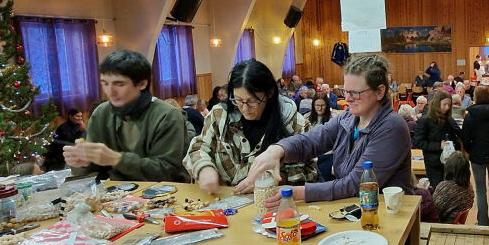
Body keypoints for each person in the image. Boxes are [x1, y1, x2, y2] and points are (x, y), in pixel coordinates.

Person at [238, 54, 412, 207]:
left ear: (380, 91)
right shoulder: (348, 118)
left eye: (355, 93)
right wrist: (277, 150)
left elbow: (355, 184)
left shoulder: (391, 127)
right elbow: (311, 140)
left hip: (388, 216)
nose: (348, 98)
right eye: (345, 91)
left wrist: (297, 192)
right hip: (356, 210)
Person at [184, 59, 317, 193]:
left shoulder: (294, 123)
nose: (244, 108)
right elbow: (198, 147)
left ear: (269, 94)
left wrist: (268, 179)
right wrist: (204, 168)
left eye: (252, 101)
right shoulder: (220, 115)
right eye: (238, 100)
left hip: (269, 202)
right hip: (223, 199)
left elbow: (309, 171)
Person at [63, 50, 189, 182]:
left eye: (119, 84)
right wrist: (82, 162)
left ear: (142, 84)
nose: (110, 92)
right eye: (105, 83)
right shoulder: (102, 113)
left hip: (167, 193)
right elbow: (94, 166)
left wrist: (116, 159)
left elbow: (167, 171)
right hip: (118, 194)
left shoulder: (167, 115)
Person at [460, 86, 489, 226]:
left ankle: (482, 221)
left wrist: (470, 151)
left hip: (477, 157)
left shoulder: (470, 115)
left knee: (480, 190)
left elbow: (466, 138)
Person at [413, 90, 462, 188]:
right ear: (437, 103)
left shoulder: (448, 119)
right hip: (433, 164)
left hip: (449, 163)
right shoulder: (425, 120)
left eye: (449, 105)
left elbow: (454, 137)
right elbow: (418, 142)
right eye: (444, 105)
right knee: (438, 191)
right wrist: (438, 145)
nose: (447, 108)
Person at [432, 152, 475, 224]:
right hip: (454, 225)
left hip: (442, 227)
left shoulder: (445, 188)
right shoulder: (469, 187)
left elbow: (433, 212)